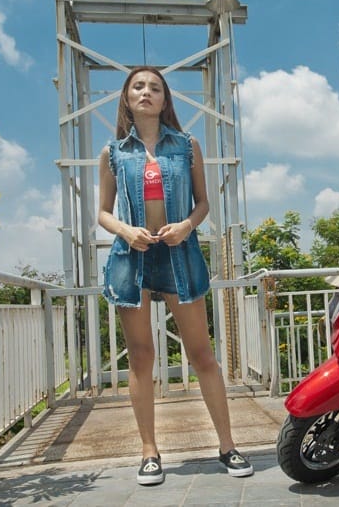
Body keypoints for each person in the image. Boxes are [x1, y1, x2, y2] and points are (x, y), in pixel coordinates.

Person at [98, 66, 252, 485]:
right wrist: (126, 230)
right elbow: (103, 213)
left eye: (155, 87)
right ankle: (149, 451)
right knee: (141, 357)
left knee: (202, 354)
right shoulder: (113, 153)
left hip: (179, 256)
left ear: (165, 99)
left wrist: (186, 225)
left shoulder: (186, 146)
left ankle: (227, 445)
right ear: (127, 98)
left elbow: (203, 203)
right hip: (132, 259)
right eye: (138, 86)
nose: (146, 92)